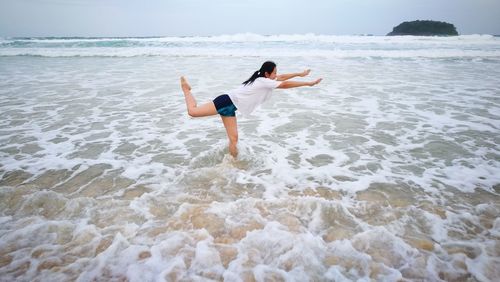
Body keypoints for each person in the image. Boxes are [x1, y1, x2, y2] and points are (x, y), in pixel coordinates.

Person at [180, 61, 322, 158]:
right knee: (193, 112)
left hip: (231, 108)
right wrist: (307, 84)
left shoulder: (264, 78)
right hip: (225, 101)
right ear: (267, 74)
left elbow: (282, 77)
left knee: (234, 139)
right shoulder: (262, 81)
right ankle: (186, 89)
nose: (275, 75)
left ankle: (232, 162)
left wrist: (299, 73)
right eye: (274, 73)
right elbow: (284, 83)